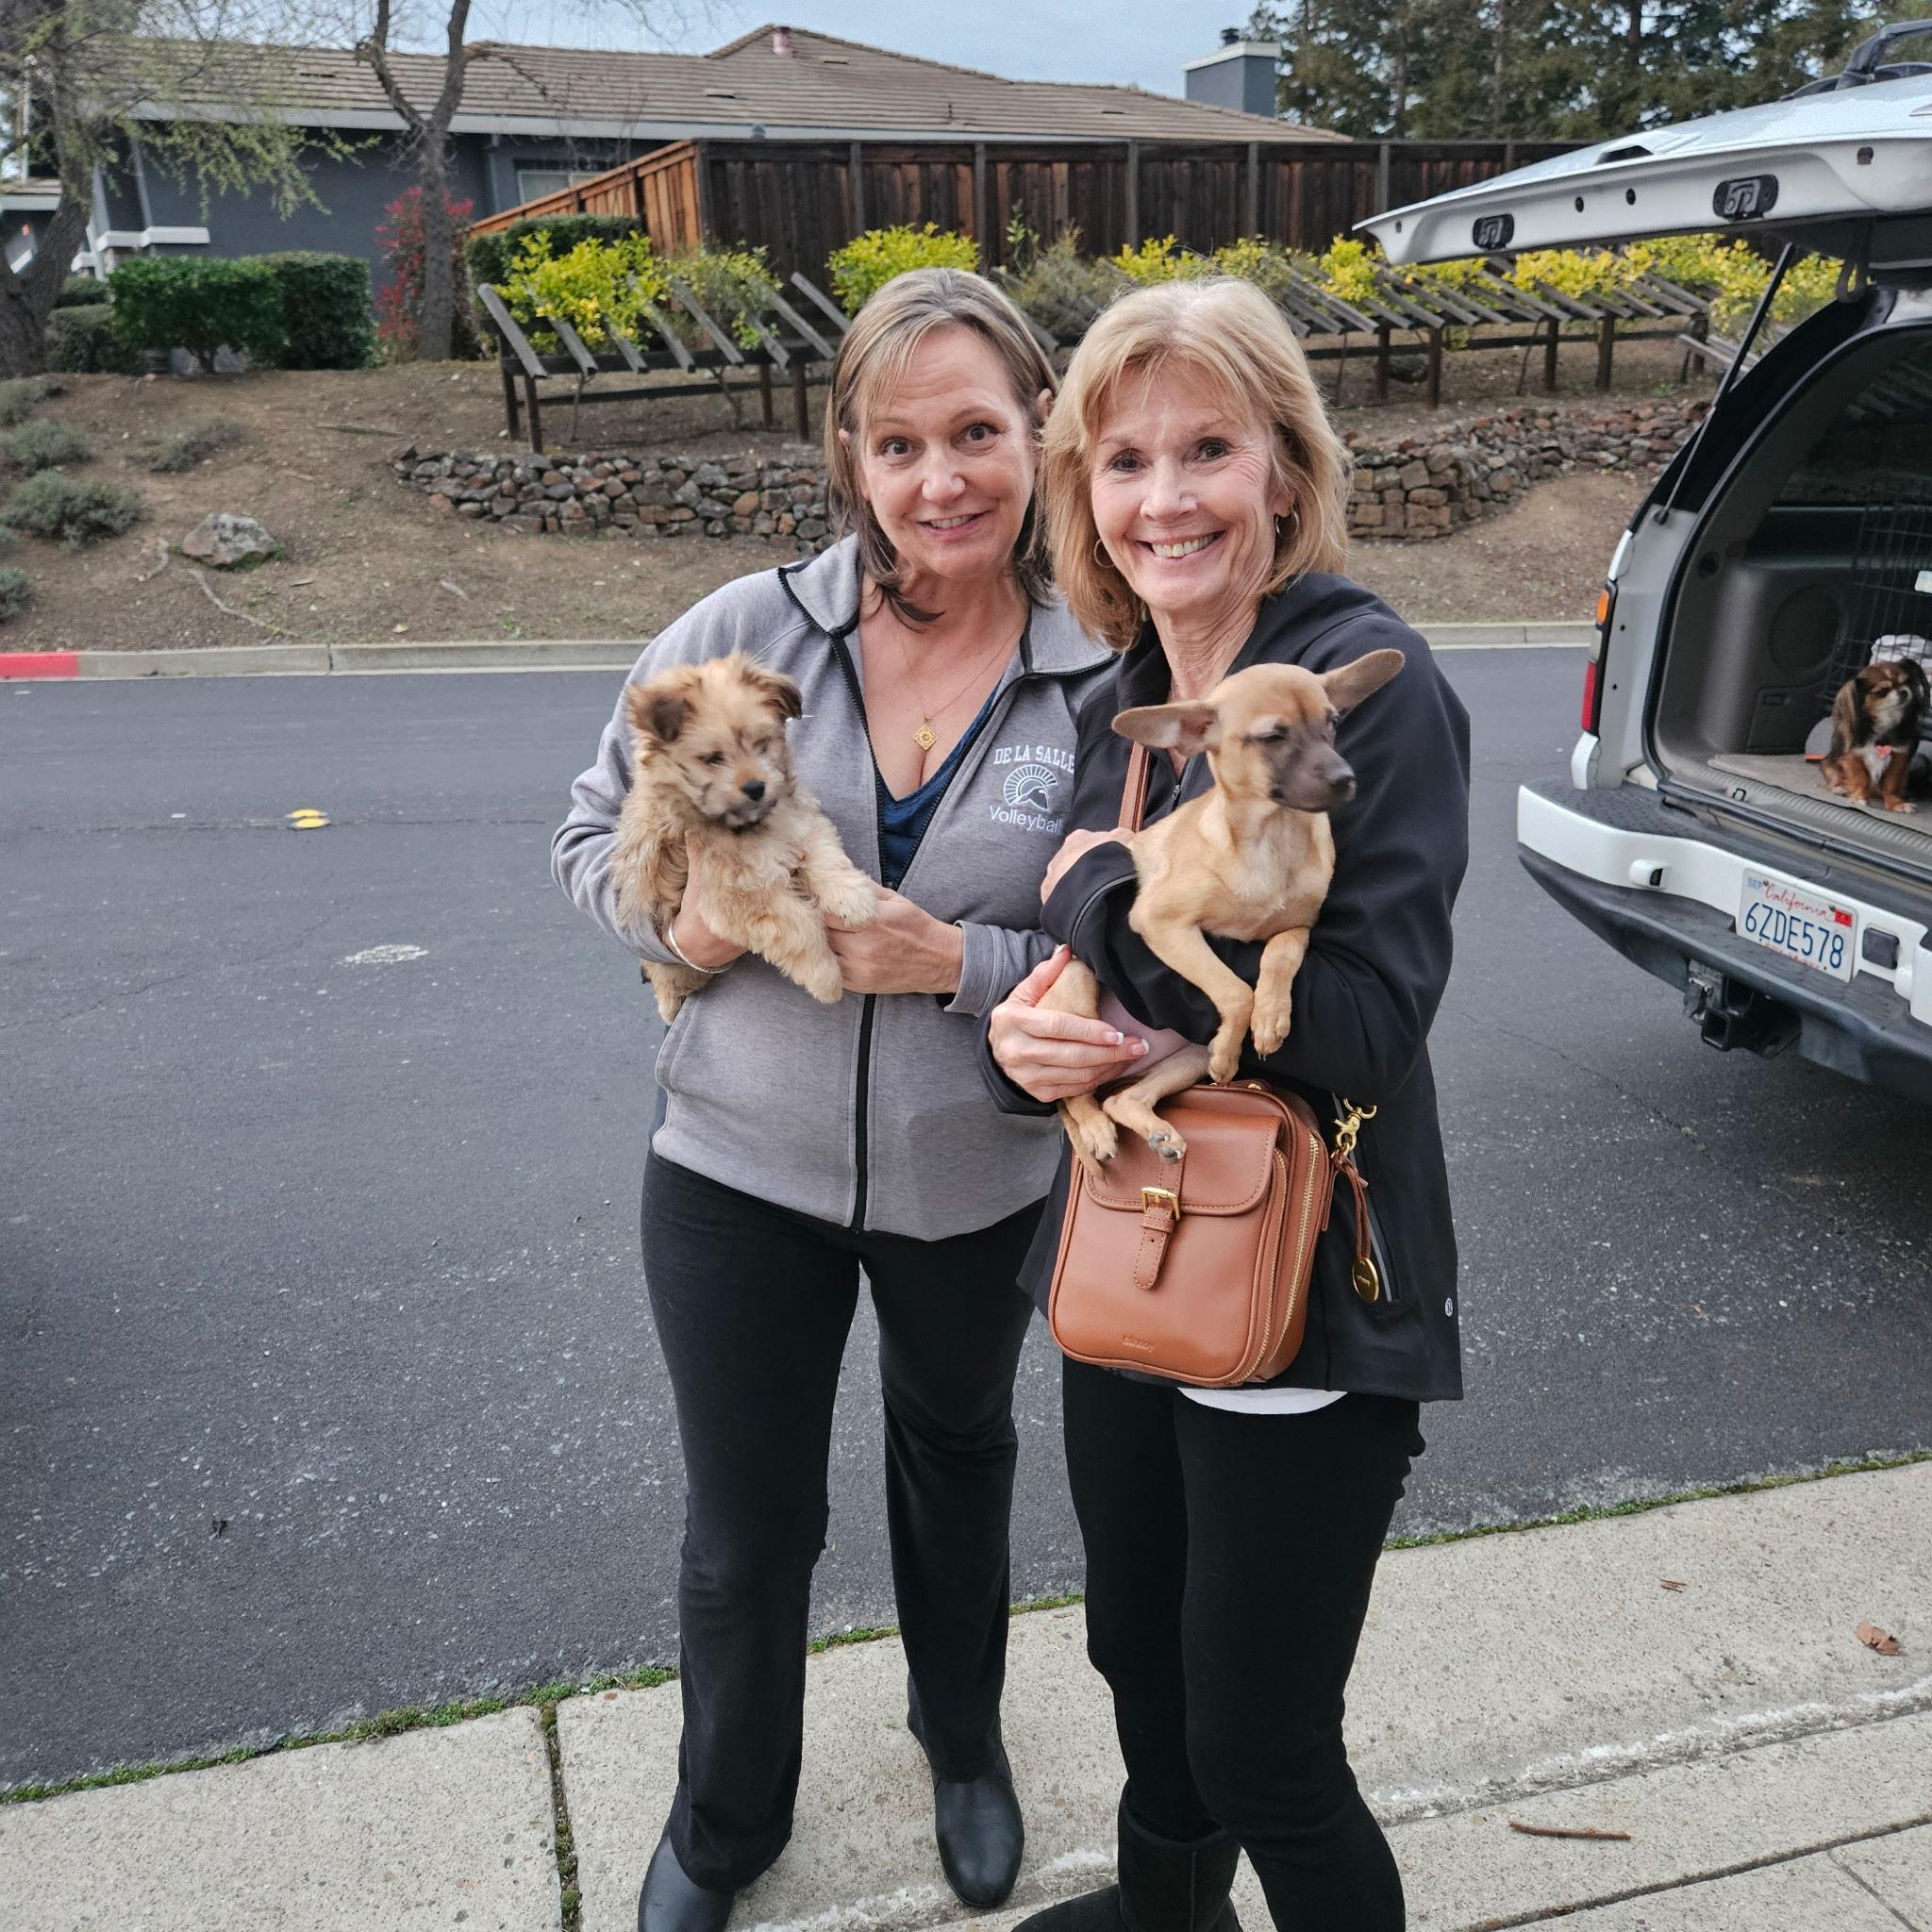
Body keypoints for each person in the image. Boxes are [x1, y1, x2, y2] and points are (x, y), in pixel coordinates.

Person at [552, 268, 1113, 1932]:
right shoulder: (738, 639)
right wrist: (685, 922)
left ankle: (964, 1751)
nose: (939, 478)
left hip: (977, 1175)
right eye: (897, 441)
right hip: (735, 1168)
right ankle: (723, 1825)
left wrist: (953, 958)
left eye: (976, 432)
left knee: (959, 1465)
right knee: (749, 1524)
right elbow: (584, 846)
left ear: (1037, 438)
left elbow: (1124, 939)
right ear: (850, 458)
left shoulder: (1097, 667)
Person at [985, 278, 1470, 1932]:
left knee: (1268, 1745)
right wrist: (1033, 1044)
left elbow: (1366, 1030)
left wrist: (1105, 901)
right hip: (1137, 1245)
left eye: (1210, 448)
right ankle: (1164, 1914)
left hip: (1304, 1279)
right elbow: (1087, 982)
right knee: (1142, 1663)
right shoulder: (1122, 698)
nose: (1166, 496)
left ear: (1284, 465)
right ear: (1085, 494)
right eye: (1125, 460)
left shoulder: (1351, 692)